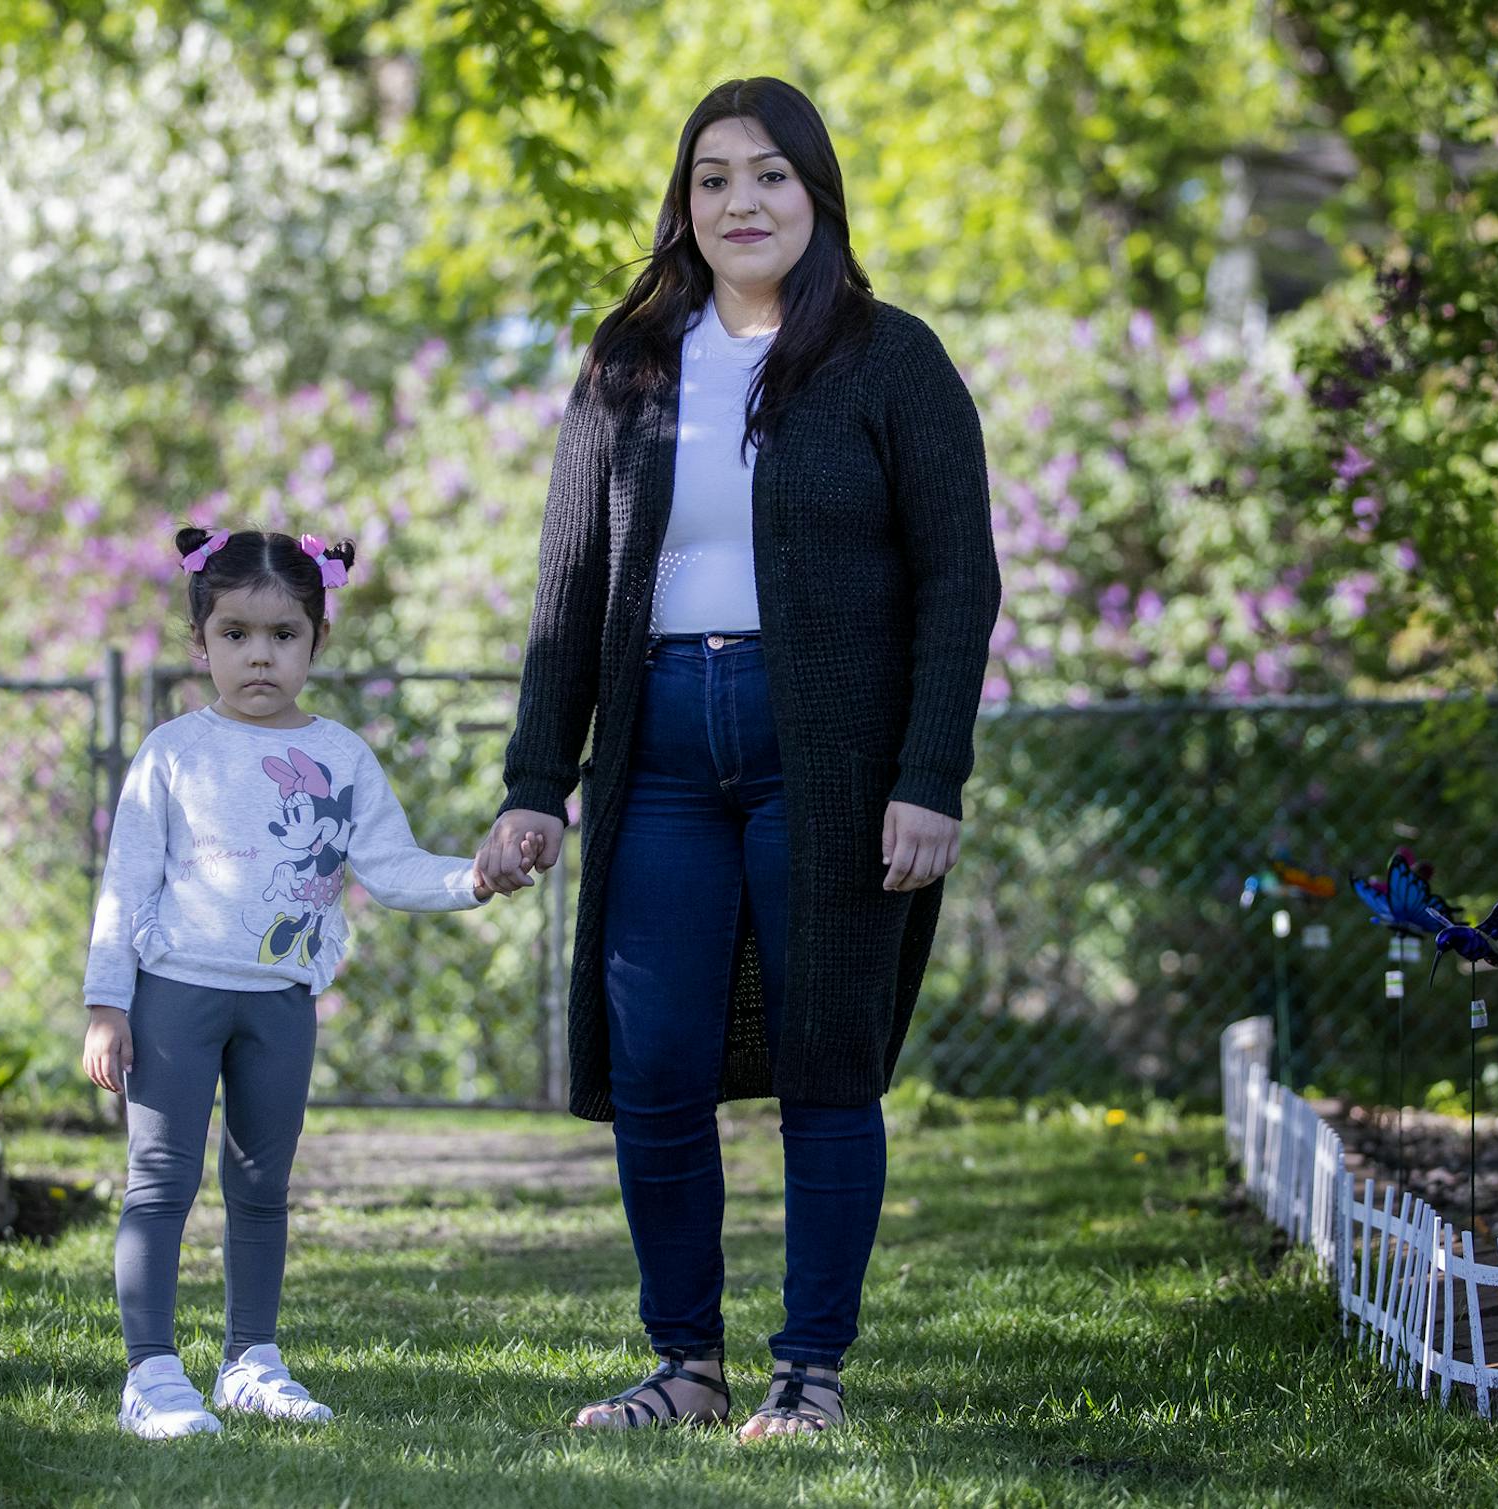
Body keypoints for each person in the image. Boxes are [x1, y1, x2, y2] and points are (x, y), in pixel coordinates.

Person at [476, 76, 1000, 1437]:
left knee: (827, 1061)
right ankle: (686, 1370)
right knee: (654, 1064)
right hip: (655, 752)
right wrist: (535, 784)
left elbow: (960, 581)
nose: (740, 201)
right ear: (685, 204)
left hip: (828, 758)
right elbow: (569, 587)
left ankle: (809, 1373)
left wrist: (928, 776)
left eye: (769, 174)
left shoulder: (891, 359)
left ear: (816, 193)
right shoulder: (630, 362)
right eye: (712, 178)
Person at [81, 526, 522, 1440]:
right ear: (200, 641)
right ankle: (151, 1374)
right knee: (159, 1183)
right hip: (172, 1000)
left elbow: (391, 866)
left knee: (260, 1187)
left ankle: (250, 1360)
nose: (259, 655)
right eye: (236, 633)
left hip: (282, 1004)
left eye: (283, 634)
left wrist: (473, 878)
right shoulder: (172, 751)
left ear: (318, 640)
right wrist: (106, 1003)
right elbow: (125, 884)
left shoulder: (343, 756)